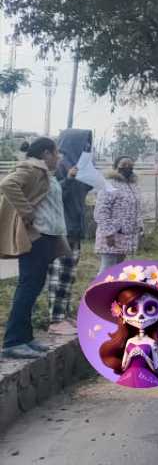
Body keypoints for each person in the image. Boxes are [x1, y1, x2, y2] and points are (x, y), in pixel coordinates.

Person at [1, 139, 69, 359]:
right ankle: (13, 341)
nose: (58, 157)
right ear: (46, 153)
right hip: (36, 236)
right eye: (56, 153)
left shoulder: (44, 172)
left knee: (34, 285)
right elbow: (7, 184)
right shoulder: (32, 167)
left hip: (46, 236)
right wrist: (27, 212)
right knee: (28, 286)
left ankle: (25, 337)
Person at [44, 130, 91, 338]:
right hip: (61, 230)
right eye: (84, 145)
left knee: (68, 276)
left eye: (89, 145)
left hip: (74, 230)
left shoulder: (77, 166)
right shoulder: (58, 166)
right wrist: (70, 179)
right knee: (59, 276)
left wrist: (88, 176)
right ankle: (55, 320)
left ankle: (63, 315)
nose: (87, 149)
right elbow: (53, 194)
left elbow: (82, 194)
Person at [94, 156, 142, 269]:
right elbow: (101, 210)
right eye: (124, 164)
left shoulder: (133, 186)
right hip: (112, 235)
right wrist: (108, 233)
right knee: (107, 269)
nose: (127, 167)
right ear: (116, 167)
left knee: (118, 270)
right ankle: (100, 282)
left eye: (130, 165)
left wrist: (140, 227)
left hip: (126, 236)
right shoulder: (109, 185)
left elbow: (137, 209)